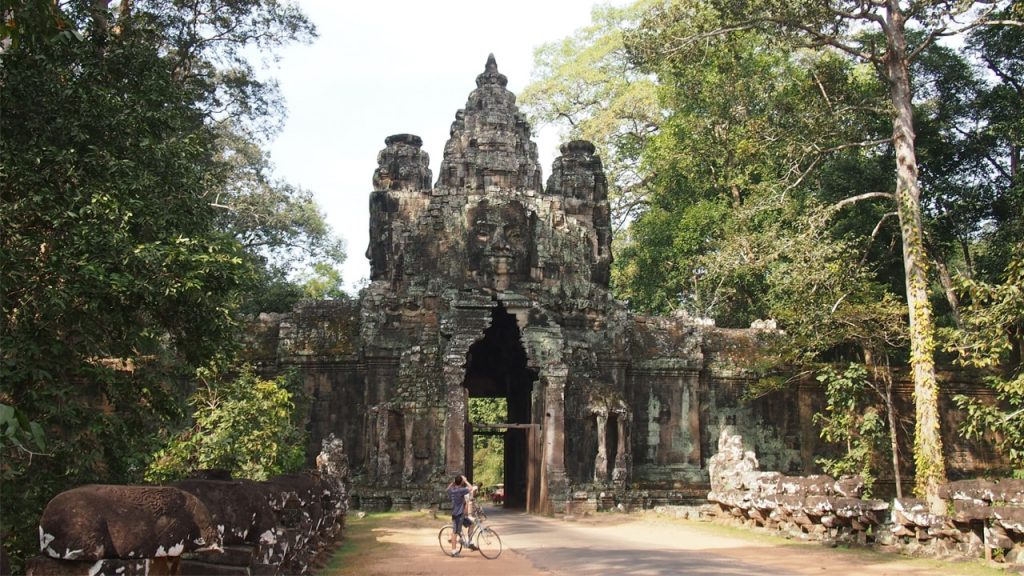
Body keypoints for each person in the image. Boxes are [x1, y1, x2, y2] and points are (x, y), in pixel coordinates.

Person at [446, 474, 477, 557]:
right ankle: (453, 551)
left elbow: (447, 489)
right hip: (457, 515)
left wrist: (453, 482)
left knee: (471, 524)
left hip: (461, 514)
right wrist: (466, 481)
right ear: (462, 482)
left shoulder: (452, 489)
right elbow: (471, 488)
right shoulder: (460, 490)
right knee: (455, 532)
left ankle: (469, 542)